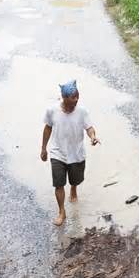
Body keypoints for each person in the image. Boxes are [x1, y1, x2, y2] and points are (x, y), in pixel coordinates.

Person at [40, 80, 100, 226]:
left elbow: (89, 128)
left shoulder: (82, 111)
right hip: (57, 153)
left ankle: (73, 188)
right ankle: (61, 211)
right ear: (64, 98)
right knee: (58, 184)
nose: (76, 100)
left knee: (75, 179)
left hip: (76, 153)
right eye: (73, 98)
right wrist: (43, 148)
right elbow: (47, 128)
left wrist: (92, 137)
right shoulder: (52, 110)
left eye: (77, 96)